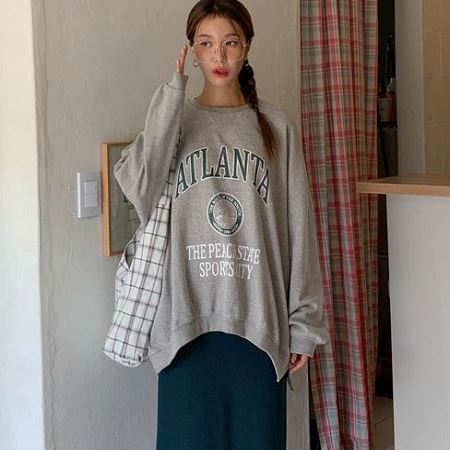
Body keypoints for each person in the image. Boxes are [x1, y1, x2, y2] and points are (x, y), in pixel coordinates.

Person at [113, 1, 328, 448]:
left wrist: (303, 325)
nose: (219, 56)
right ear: (192, 50)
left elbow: (300, 231)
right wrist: (172, 94)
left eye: (230, 43)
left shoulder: (276, 126)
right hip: (183, 327)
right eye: (206, 44)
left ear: (246, 47)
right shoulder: (175, 119)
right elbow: (138, 184)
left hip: (258, 325)